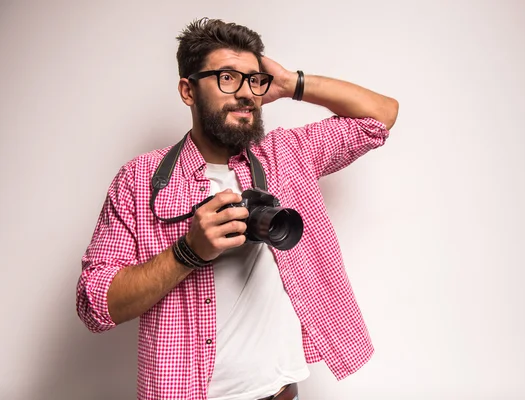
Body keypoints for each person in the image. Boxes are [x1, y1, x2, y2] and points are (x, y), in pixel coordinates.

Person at [76, 17, 398, 400]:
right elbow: (93, 305)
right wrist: (188, 251)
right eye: (227, 78)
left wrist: (291, 84)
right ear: (188, 90)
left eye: (253, 80)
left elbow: (381, 116)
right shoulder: (139, 179)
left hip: (281, 393)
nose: (246, 93)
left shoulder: (286, 155)